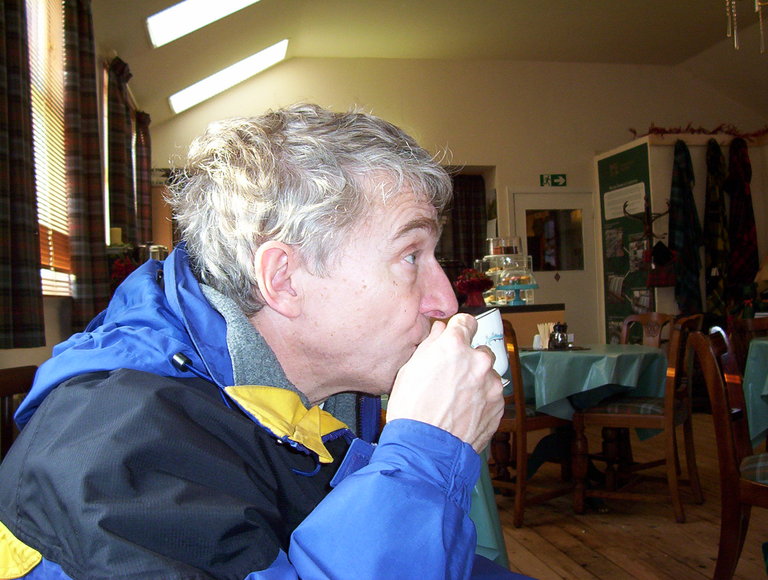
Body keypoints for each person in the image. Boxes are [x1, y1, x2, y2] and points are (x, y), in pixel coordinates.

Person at [0, 104, 525, 579]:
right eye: (412, 255)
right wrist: (424, 459)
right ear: (284, 279)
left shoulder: (326, 404)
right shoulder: (116, 461)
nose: (446, 301)